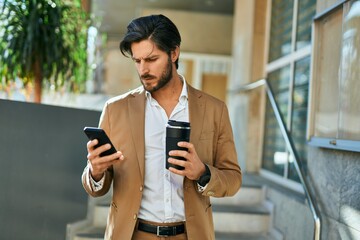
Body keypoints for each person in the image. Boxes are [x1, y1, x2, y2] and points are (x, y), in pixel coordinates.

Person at [82, 14, 242, 240]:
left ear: (174, 53)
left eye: (151, 59)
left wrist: (202, 173)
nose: (143, 70)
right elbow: (95, 186)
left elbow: (233, 178)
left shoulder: (215, 110)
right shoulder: (114, 110)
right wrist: (96, 171)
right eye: (137, 61)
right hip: (132, 234)